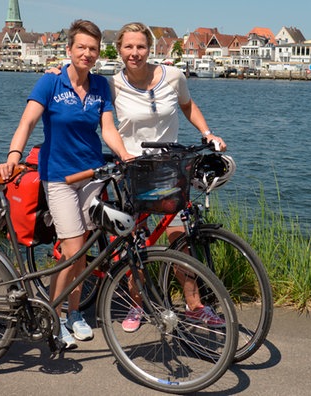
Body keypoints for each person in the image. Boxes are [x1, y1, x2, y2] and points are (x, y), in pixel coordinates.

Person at [0, 19, 132, 349]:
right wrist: (14, 155)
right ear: (69, 50)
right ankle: (53, 316)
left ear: (99, 54)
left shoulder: (100, 86)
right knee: (71, 249)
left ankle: (74, 314)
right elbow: (27, 120)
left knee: (81, 250)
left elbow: (108, 129)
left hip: (91, 175)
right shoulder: (50, 83)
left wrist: (126, 157)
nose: (87, 53)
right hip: (58, 176)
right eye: (81, 47)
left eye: (93, 49)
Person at [112, 22, 228, 332]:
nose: (135, 52)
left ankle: (195, 305)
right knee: (134, 242)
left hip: (170, 170)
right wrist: (58, 72)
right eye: (129, 46)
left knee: (180, 240)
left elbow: (188, 106)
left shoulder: (172, 76)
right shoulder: (111, 85)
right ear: (119, 49)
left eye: (140, 46)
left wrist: (206, 132)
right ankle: (136, 303)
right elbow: (78, 84)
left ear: (149, 48)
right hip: (132, 170)